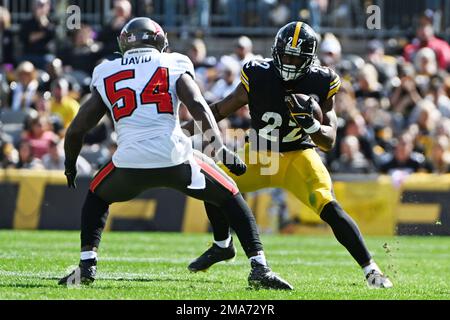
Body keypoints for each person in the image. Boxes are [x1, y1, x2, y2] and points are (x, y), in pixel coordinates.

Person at [58, 17, 292, 290]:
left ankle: (87, 266)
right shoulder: (174, 62)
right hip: (175, 157)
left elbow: (76, 130)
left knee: (97, 197)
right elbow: (198, 106)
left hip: (129, 162)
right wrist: (219, 148)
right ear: (159, 40)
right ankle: (259, 267)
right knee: (230, 194)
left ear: (124, 43)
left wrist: (70, 166)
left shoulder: (106, 70)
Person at [183, 21, 393, 288]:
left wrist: (312, 126)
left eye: (297, 57)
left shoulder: (323, 80)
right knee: (214, 184)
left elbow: (328, 141)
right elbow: (221, 109)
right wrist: (182, 130)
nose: (290, 62)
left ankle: (372, 270)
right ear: (275, 51)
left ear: (309, 59)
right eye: (286, 55)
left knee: (327, 204)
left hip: (298, 155)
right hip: (261, 153)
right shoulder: (258, 73)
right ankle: (222, 245)